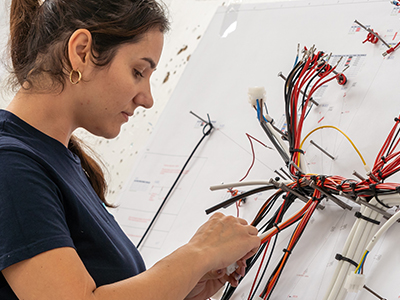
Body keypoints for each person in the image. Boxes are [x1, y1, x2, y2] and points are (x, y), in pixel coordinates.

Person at [0, 1, 261, 299]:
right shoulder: (11, 166)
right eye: (138, 71)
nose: (147, 98)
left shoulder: (58, 158)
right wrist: (198, 254)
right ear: (82, 51)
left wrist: (186, 287)